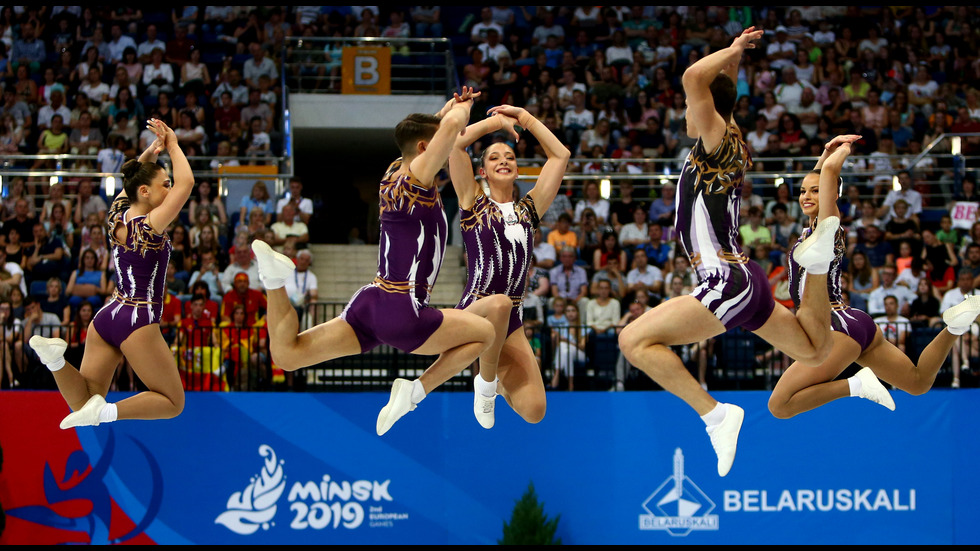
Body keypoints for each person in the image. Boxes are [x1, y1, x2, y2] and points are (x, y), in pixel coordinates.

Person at [618, 28, 838, 478]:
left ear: (704, 110)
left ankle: (716, 415)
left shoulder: (715, 139)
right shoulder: (728, 131)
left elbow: (694, 79)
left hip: (726, 280)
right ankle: (823, 285)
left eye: (687, 108)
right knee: (815, 354)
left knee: (632, 341)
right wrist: (735, 59)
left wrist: (732, 52)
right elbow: (719, 90)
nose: (684, 113)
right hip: (745, 278)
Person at [250, 88, 507, 436]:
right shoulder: (415, 181)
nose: (445, 153)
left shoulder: (391, 172)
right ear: (423, 150)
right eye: (438, 149)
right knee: (486, 334)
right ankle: (414, 391)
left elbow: (438, 134)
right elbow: (450, 131)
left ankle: (274, 281)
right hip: (403, 309)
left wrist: (464, 116)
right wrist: (463, 110)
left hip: (372, 301)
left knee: (289, 356)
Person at [768, 136, 980, 418]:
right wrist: (824, 154)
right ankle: (954, 327)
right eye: (803, 191)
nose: (806, 196)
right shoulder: (812, 229)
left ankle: (856, 385)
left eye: (815, 192)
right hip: (855, 321)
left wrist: (842, 151)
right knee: (917, 383)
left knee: (779, 406)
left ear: (832, 195)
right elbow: (822, 176)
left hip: (834, 326)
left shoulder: (827, 227)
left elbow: (829, 176)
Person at [28, 118, 194, 429]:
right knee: (173, 402)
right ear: (144, 191)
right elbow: (187, 184)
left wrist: (151, 152)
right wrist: (171, 144)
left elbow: (130, 178)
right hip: (137, 318)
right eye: (164, 184)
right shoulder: (150, 226)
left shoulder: (116, 217)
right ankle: (107, 412)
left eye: (169, 184)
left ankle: (55, 361)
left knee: (83, 400)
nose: (170, 188)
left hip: (108, 314)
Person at [447, 102, 570, 427]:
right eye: (494, 158)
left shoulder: (529, 209)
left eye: (510, 157)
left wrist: (526, 118)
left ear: (517, 169)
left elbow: (560, 156)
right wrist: (497, 123)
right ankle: (485, 388)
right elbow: (456, 144)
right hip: (477, 307)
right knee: (497, 306)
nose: (504, 160)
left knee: (534, 411)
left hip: (513, 315)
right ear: (482, 171)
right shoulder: (472, 200)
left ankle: (495, 383)